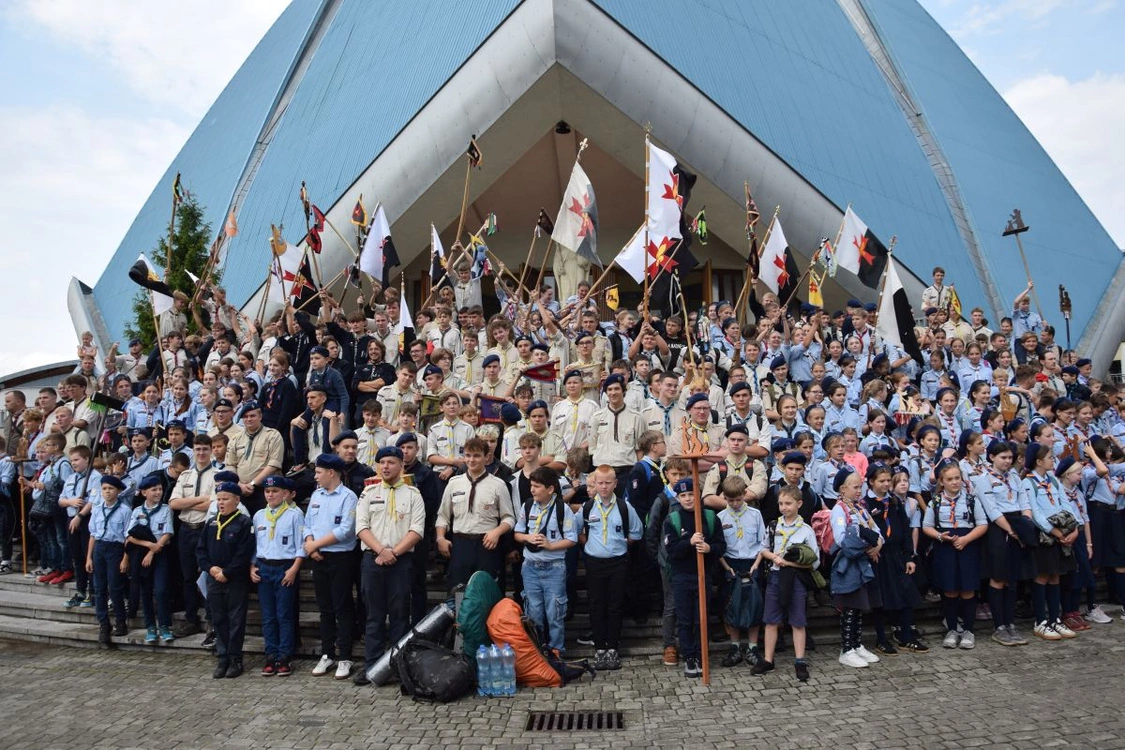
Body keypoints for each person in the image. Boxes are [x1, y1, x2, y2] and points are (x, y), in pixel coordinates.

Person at [354, 446, 425, 685]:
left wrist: (393, 552)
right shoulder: (368, 492)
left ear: (401, 465)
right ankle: (373, 666)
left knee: (399, 615)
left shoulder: (413, 494)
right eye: (382, 462)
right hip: (372, 559)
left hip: (401, 561)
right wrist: (381, 551)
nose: (385, 467)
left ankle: (398, 666)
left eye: (391, 462)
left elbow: (416, 530)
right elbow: (361, 527)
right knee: (373, 616)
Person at [579, 465, 643, 671]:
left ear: (615, 483)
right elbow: (576, 530)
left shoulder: (625, 507)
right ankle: (599, 648)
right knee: (596, 605)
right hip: (594, 562)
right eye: (600, 483)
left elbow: (636, 532)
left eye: (608, 483)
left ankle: (613, 648)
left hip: (618, 562)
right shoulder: (587, 507)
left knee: (615, 605)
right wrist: (589, 545)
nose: (604, 487)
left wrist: (620, 546)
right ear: (594, 484)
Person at [302, 453, 359, 681]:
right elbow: (307, 523)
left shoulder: (348, 497)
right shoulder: (316, 495)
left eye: (318, 472)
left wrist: (315, 544)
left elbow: (346, 530)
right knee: (324, 608)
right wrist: (310, 545)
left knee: (342, 606)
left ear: (331, 473)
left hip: (341, 558)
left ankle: (345, 656)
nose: (315, 476)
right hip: (318, 557)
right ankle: (327, 654)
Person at [972, 440, 1035, 646]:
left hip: (1018, 524)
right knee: (998, 576)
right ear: (991, 457)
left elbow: (1024, 502)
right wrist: (1010, 530)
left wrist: (1025, 524)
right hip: (999, 528)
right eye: (1003, 457)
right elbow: (992, 509)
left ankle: (1011, 623)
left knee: (1013, 578)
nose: (1007, 461)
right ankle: (999, 625)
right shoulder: (984, 480)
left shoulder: (1014, 477)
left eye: (1010, 458)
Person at [751, 485, 816, 682]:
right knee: (771, 620)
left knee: (797, 620)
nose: (784, 507)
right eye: (781, 503)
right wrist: (773, 557)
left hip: (795, 577)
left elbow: (814, 562)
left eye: (788, 503)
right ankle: (768, 660)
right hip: (775, 576)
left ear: (799, 504)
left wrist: (788, 562)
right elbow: (763, 549)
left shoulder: (806, 530)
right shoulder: (773, 526)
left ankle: (800, 661)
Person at [663, 477, 725, 679]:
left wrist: (709, 548)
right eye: (683, 495)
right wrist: (688, 542)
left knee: (701, 619)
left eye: (691, 494)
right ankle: (689, 656)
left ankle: (701, 654)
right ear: (678, 498)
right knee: (685, 619)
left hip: (703, 575)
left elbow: (721, 546)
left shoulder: (710, 517)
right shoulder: (673, 520)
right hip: (682, 576)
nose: (688, 499)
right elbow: (672, 551)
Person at [923, 459, 988, 649]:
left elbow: (982, 524)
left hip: (967, 545)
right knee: (949, 589)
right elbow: (926, 526)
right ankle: (952, 629)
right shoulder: (935, 502)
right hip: (945, 547)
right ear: (942, 482)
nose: (954, 482)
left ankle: (968, 630)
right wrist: (940, 536)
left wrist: (966, 539)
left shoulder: (971, 500)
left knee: (968, 588)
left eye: (957, 478)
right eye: (950, 479)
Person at [434, 438, 515, 589]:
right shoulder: (454, 483)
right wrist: (440, 538)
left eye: (477, 455)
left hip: (487, 544)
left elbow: (509, 518)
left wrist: (497, 532)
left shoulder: (498, 485)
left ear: (486, 457)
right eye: (468, 455)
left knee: (487, 591)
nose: (471, 460)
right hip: (460, 544)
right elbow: (443, 516)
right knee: (458, 591)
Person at [513, 466, 577, 654]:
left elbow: (572, 539)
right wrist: (527, 538)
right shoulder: (527, 506)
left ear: (550, 489)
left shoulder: (562, 509)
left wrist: (550, 546)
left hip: (554, 568)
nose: (532, 490)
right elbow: (517, 533)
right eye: (531, 485)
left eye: (537, 486)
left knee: (555, 611)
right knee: (533, 612)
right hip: (530, 567)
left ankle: (556, 649)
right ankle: (537, 651)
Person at [1022, 443, 1079, 640]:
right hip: (1044, 536)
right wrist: (1055, 532)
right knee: (1042, 576)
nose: (1052, 460)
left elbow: (1066, 504)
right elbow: (1035, 513)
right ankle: (1041, 621)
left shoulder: (1053, 480)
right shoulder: (1028, 483)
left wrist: (1073, 528)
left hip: (1062, 532)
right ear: (1039, 461)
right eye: (1049, 457)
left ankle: (1055, 619)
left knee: (1056, 576)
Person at [198, 481, 255, 678]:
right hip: (214, 578)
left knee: (236, 620)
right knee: (219, 618)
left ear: (237, 500)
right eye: (219, 499)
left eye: (225, 499)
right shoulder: (211, 523)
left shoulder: (244, 523)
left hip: (235, 579)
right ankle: (222, 658)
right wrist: (211, 569)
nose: (221, 503)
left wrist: (227, 572)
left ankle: (235, 658)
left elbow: (243, 553)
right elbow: (201, 550)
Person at [250, 475, 305, 677]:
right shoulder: (259, 516)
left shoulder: (294, 515)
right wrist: (252, 566)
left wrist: (294, 569)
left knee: (284, 614)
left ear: (285, 493)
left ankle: (284, 656)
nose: (270, 495)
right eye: (267, 491)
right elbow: (256, 545)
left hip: (285, 567)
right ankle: (270, 654)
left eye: (275, 491)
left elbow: (301, 545)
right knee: (268, 616)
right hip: (264, 568)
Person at [169, 434, 217, 640]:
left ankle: (212, 621)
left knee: (208, 575)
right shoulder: (185, 476)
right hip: (186, 529)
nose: (201, 453)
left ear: (211, 450)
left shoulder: (217, 475)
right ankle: (191, 620)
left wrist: (187, 502)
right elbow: (174, 503)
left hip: (206, 529)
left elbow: (214, 504)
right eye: (198, 449)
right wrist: (201, 500)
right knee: (188, 577)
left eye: (205, 449)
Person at [716, 476, 767, 667]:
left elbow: (763, 543)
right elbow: (718, 547)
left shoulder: (755, 515)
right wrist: (726, 566)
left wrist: (756, 564)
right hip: (731, 565)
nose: (735, 504)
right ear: (724, 497)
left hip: (753, 563)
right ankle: (735, 647)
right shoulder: (721, 517)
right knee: (732, 606)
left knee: (754, 604)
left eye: (738, 499)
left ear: (745, 494)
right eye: (731, 500)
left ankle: (753, 647)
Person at [86, 475, 132, 647]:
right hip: (99, 548)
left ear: (118, 491)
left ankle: (121, 621)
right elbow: (93, 534)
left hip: (115, 549)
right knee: (99, 588)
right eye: (104, 489)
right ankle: (104, 624)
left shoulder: (125, 511)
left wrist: (125, 558)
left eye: (111, 489)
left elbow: (128, 537)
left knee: (115, 587)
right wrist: (89, 557)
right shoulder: (97, 509)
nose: (107, 492)